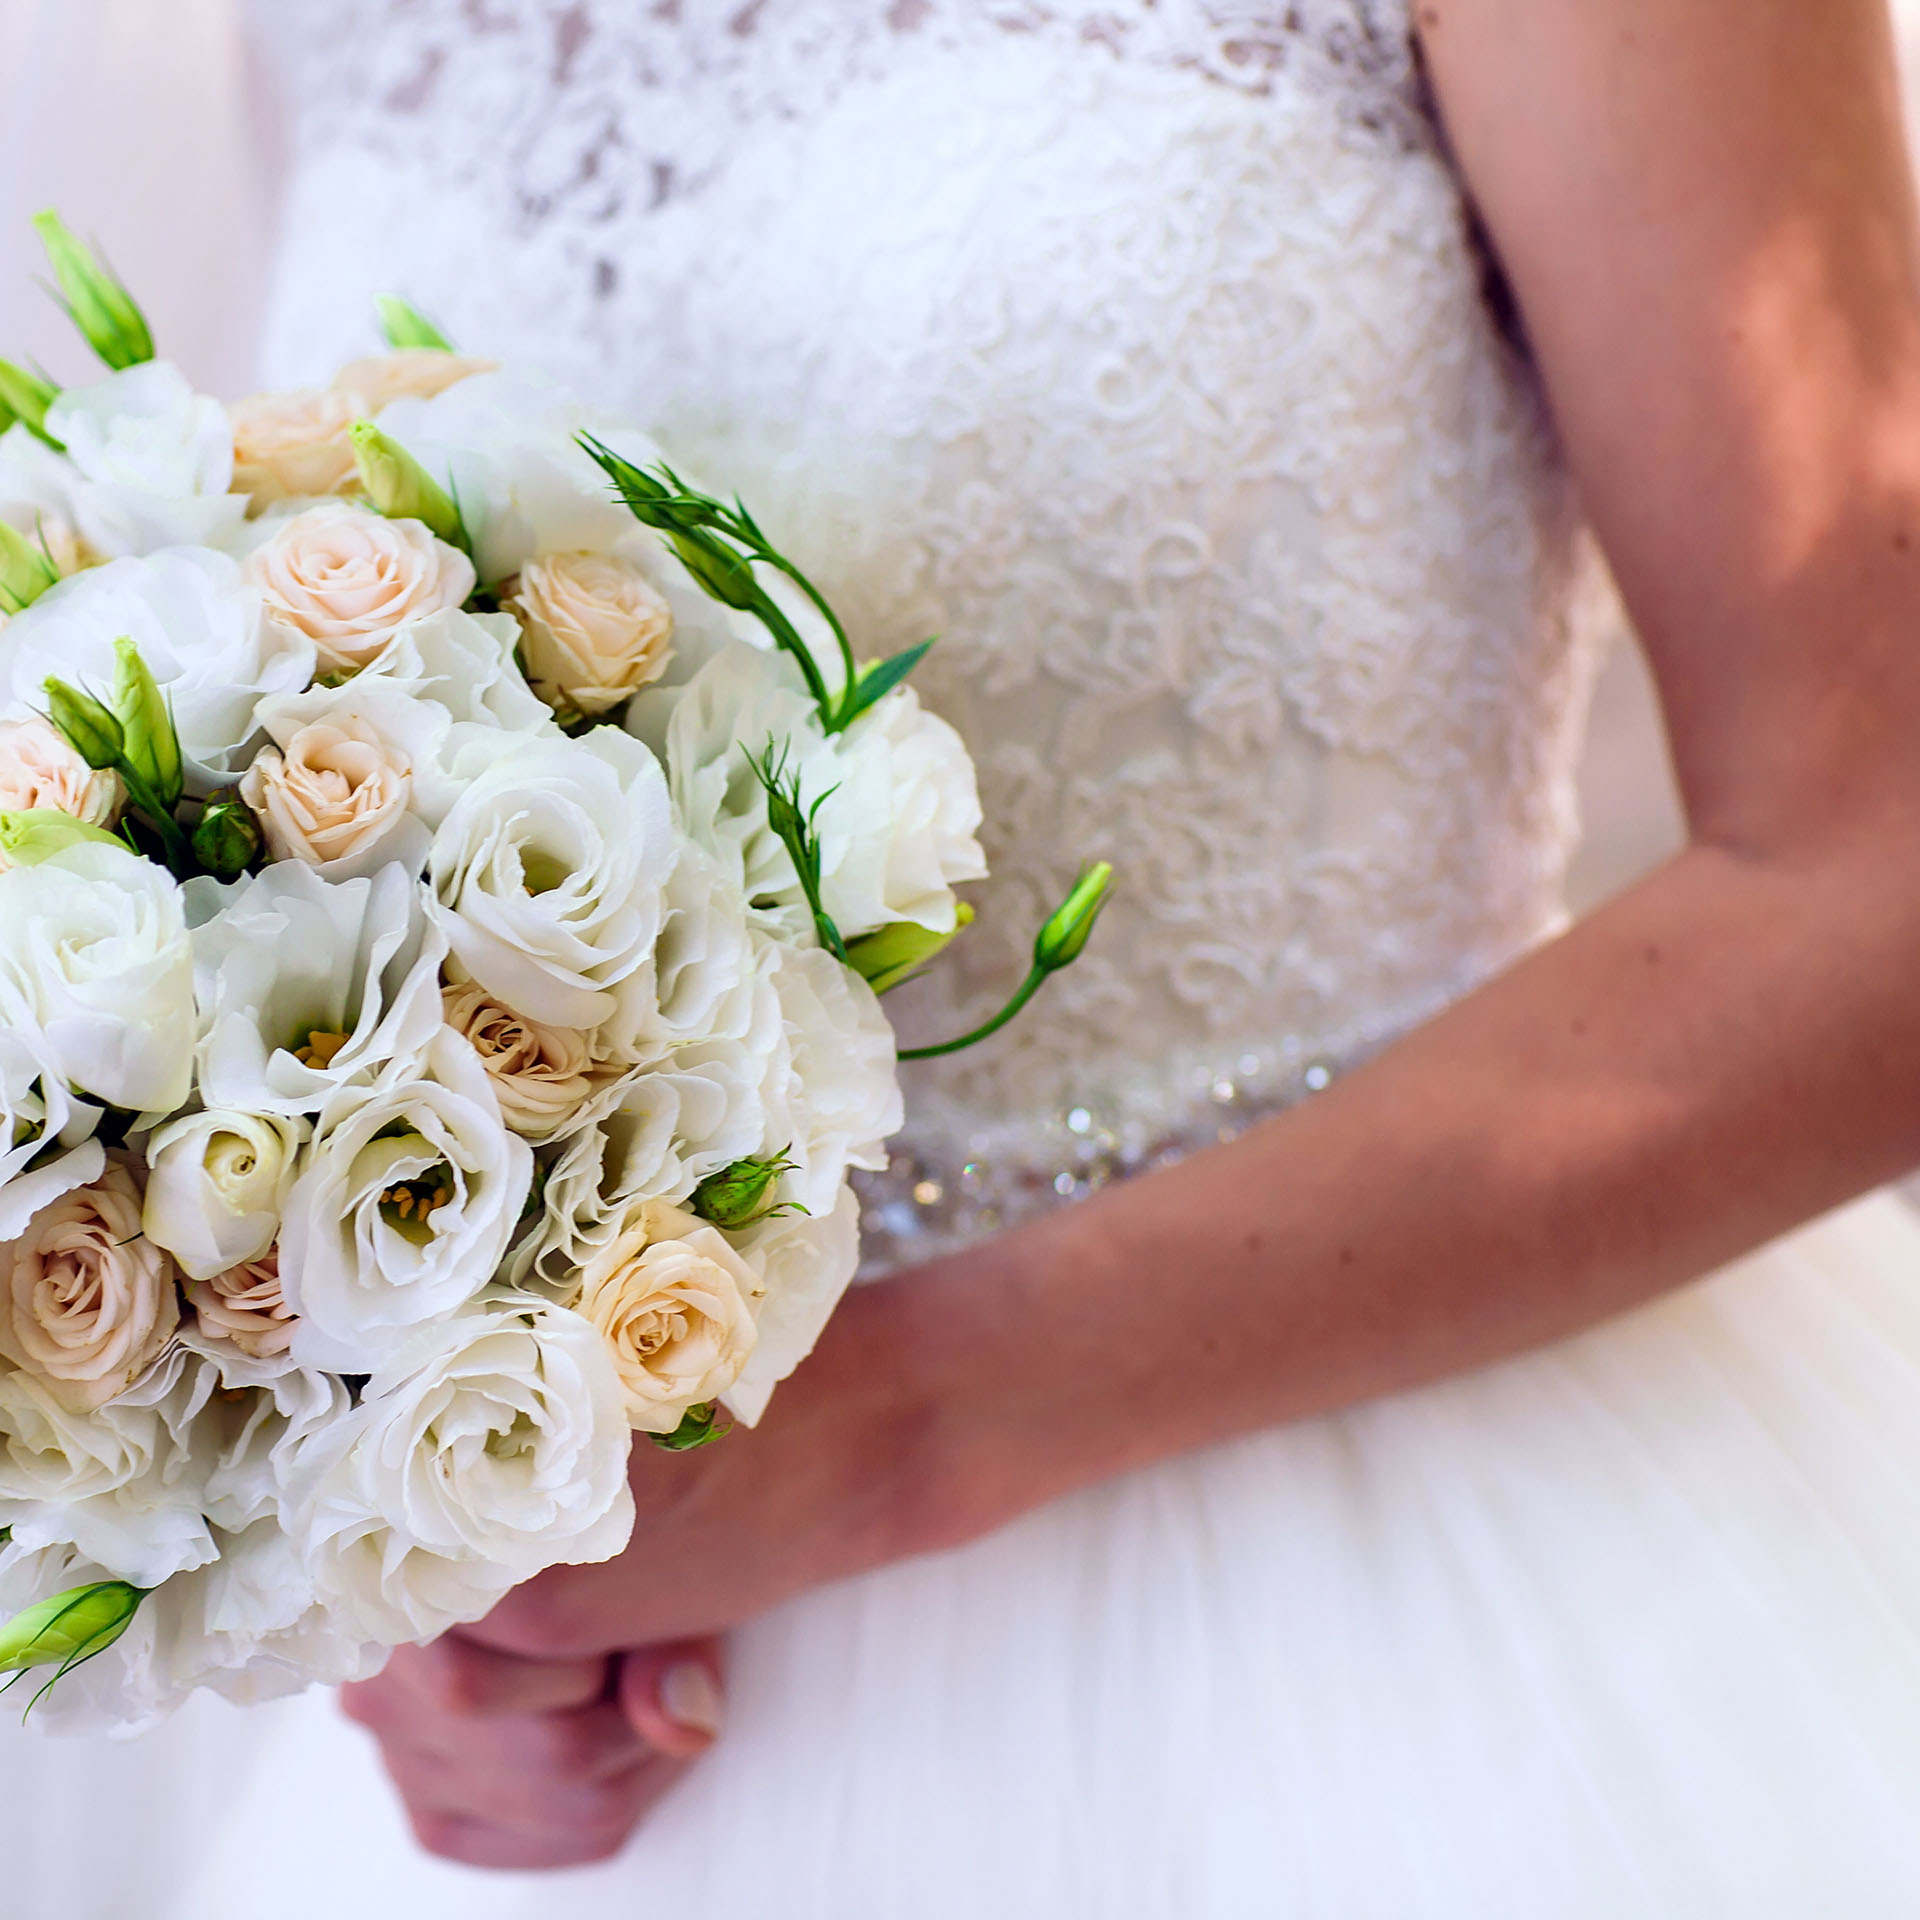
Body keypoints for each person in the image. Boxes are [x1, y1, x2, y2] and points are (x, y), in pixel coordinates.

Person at [111, 0, 1920, 1908]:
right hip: (642, 1705)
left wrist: (901, 1418)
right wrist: (414, 1575)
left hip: (1419, 1624)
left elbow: (1872, 887)